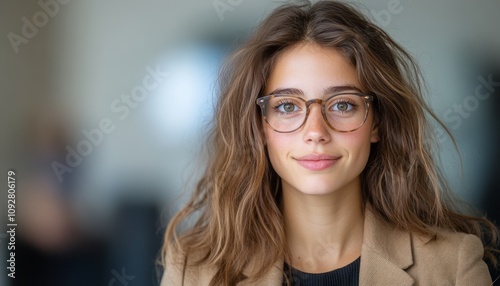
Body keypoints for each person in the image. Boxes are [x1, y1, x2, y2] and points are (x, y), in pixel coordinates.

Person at [160, 1, 499, 285]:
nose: (316, 131)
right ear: (260, 126)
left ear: (377, 122)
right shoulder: (195, 270)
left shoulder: (453, 266)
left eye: (343, 104)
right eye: (287, 106)